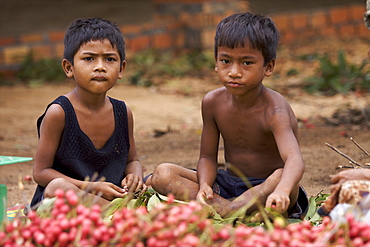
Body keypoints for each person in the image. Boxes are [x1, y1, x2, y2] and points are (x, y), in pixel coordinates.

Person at [146, 12, 308, 218]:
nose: (234, 72)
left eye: (246, 63)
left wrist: (284, 190)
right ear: (215, 62)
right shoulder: (212, 102)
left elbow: (295, 160)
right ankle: (228, 207)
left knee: (280, 176)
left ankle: (230, 210)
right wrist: (204, 185)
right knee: (162, 173)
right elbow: (207, 156)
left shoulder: (275, 111)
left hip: (268, 189)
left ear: (268, 67)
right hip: (227, 185)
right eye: (225, 61)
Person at [29, 17, 145, 210]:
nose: (100, 66)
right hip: (67, 203)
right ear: (69, 68)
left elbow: (132, 160)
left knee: (159, 179)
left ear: (121, 69)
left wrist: (135, 176)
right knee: (58, 187)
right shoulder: (59, 113)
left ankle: (116, 215)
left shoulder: (123, 112)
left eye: (110, 59)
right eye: (89, 58)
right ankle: (121, 217)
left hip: (113, 199)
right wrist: (91, 187)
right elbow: (41, 173)